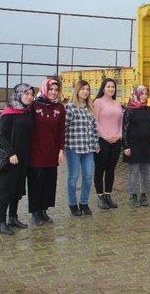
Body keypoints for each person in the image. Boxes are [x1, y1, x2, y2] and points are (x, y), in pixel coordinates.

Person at [0, 83, 34, 235]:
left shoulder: (26, 112)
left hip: (23, 156)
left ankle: (13, 217)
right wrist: (11, 153)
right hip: (10, 158)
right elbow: (2, 136)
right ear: (18, 95)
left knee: (17, 188)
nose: (29, 97)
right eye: (26, 94)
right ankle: (1, 221)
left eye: (31, 94)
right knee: (6, 189)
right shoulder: (8, 112)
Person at [28, 77, 65, 225]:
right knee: (36, 182)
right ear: (44, 89)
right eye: (51, 89)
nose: (54, 92)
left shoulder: (59, 108)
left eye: (56, 90)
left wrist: (61, 149)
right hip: (36, 152)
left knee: (49, 182)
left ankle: (43, 210)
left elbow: (62, 130)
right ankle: (35, 211)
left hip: (52, 152)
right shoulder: (34, 106)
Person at [64, 80, 98, 217]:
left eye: (87, 89)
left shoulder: (90, 108)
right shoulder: (70, 107)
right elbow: (64, 128)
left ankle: (84, 202)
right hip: (74, 148)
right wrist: (63, 147)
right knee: (73, 177)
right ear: (77, 90)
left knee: (88, 176)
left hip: (88, 148)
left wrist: (96, 144)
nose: (85, 91)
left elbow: (94, 128)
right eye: (82, 89)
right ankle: (73, 204)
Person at [123, 85, 150, 207]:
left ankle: (143, 195)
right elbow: (124, 129)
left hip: (148, 146)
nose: (144, 96)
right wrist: (126, 146)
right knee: (133, 172)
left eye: (146, 93)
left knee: (146, 172)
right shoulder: (129, 111)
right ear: (136, 94)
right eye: (142, 93)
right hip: (134, 146)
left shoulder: (149, 110)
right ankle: (133, 195)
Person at [93, 78, 123, 210]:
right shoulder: (98, 102)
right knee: (100, 169)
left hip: (116, 140)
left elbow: (121, 123)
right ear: (103, 88)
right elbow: (95, 122)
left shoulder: (117, 103)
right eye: (108, 86)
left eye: (113, 87)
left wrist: (119, 135)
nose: (111, 89)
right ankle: (100, 197)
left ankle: (108, 195)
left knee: (111, 169)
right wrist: (106, 136)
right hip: (102, 140)